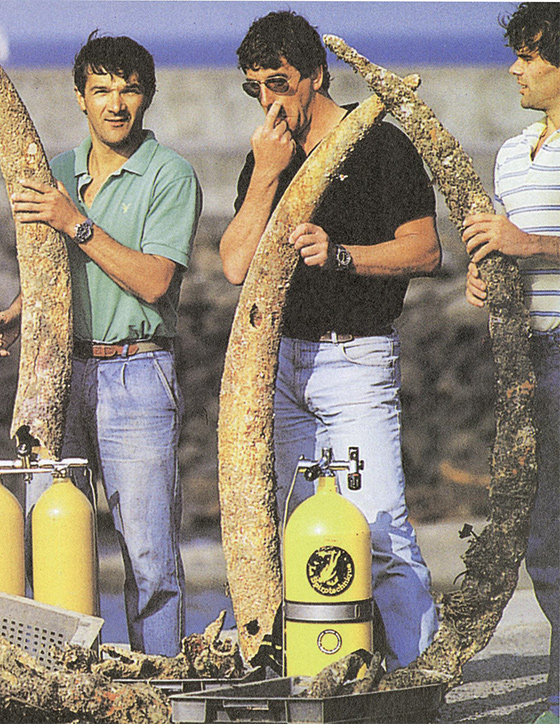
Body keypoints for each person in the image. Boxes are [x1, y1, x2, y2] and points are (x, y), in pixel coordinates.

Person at [218, 10, 442, 671]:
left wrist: (341, 255)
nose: (268, 99)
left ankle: (416, 677)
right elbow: (235, 265)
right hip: (282, 365)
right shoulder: (265, 156)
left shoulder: (379, 146)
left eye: (279, 81)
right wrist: (266, 174)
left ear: (316, 74)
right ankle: (325, 672)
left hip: (355, 357)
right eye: (254, 86)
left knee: (378, 532)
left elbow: (426, 251)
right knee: (301, 531)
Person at [0, 33, 201, 656]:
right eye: (101, 90)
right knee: (56, 548)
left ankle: (160, 689)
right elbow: (57, 270)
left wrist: (71, 220)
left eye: (128, 88)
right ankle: (67, 686)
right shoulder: (59, 174)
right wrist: (20, 313)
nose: (115, 103)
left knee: (149, 558)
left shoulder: (171, 175)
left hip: (137, 372)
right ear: (80, 98)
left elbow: (155, 281)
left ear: (147, 95)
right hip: (60, 371)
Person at [463, 4, 560, 722]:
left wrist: (527, 244)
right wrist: (486, 275)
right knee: (541, 534)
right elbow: (504, 248)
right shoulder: (510, 152)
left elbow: (526, 241)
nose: (513, 68)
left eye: (529, 56)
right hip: (526, 361)